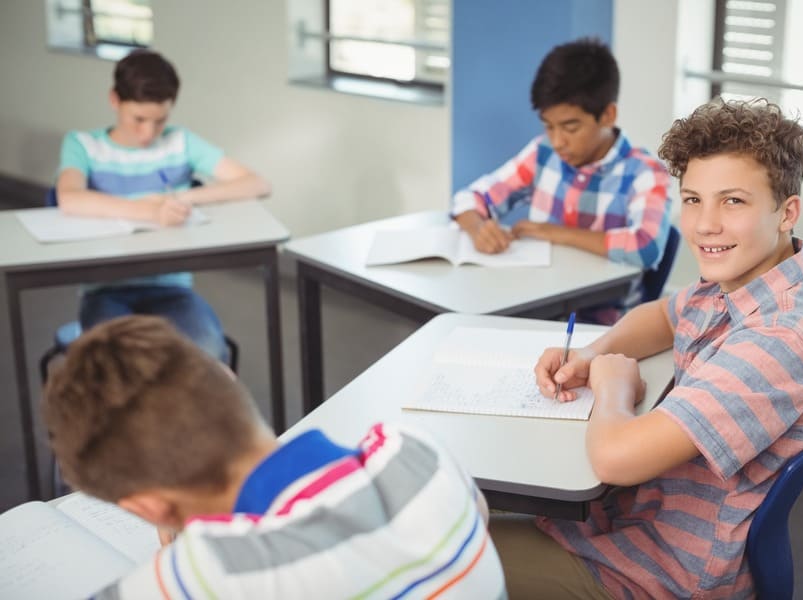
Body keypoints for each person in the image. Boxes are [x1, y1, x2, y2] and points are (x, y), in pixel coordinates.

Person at [489, 99, 803, 598]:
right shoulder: (743, 278)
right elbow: (661, 317)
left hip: (658, 570)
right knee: (456, 514)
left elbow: (615, 460)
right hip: (630, 519)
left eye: (733, 201)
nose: (704, 224)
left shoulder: (780, 340)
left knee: (432, 557)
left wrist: (613, 387)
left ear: (787, 212)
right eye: (693, 199)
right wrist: (594, 353)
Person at [41, 315, 507, 599]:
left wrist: (179, 547)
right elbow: (475, 513)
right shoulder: (418, 453)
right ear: (227, 377)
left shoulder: (207, 574)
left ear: (149, 507)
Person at [55, 49, 271, 361]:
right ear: (114, 100)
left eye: (160, 121)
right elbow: (70, 198)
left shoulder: (180, 142)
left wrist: (181, 198)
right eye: (138, 119)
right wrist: (149, 211)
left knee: (208, 355)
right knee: (120, 367)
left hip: (171, 290)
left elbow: (257, 183)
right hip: (105, 291)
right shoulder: (83, 145)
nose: (148, 133)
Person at [451, 37, 672, 324]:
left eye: (570, 127)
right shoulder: (542, 153)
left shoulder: (646, 173)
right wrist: (478, 227)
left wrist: (554, 232)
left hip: (604, 329)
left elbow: (645, 247)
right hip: (536, 309)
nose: (557, 141)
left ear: (608, 115)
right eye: (549, 126)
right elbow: (469, 198)